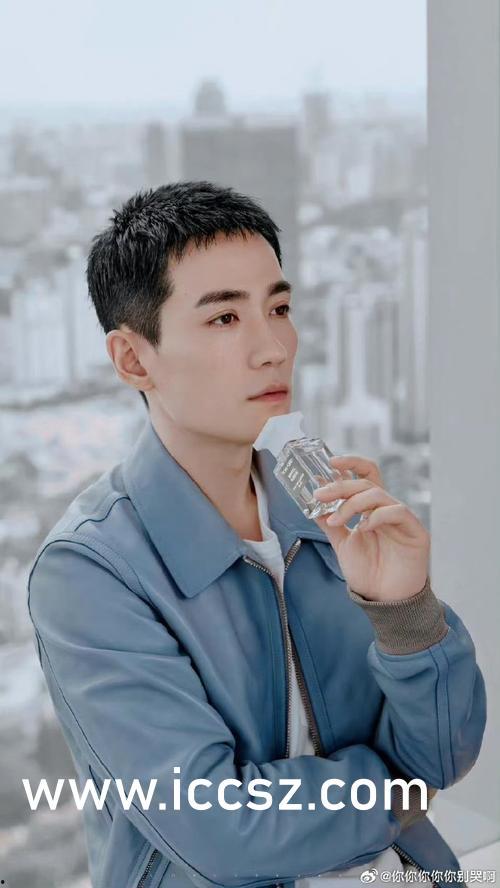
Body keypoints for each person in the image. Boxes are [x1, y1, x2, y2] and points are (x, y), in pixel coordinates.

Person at [27, 181, 486, 888]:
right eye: (223, 319)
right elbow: (219, 830)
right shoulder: (90, 569)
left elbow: (443, 756)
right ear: (133, 360)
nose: (273, 347)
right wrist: (392, 796)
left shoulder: (328, 511)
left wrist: (404, 612)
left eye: (279, 308)